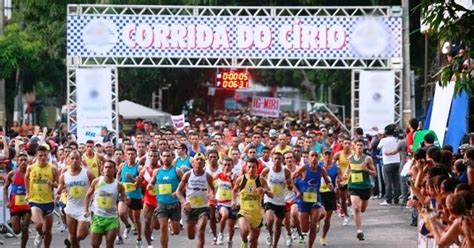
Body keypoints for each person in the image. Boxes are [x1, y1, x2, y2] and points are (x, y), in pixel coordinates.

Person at [293, 150, 332, 248]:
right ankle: (300, 219)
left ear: (319, 158)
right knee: (305, 229)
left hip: (315, 200)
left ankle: (310, 246)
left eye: (316, 155)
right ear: (308, 158)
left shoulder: (321, 169)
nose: (314, 157)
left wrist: (330, 185)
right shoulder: (304, 168)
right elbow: (290, 178)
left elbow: (327, 181)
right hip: (303, 200)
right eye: (312, 155)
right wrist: (297, 191)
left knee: (313, 226)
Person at [56, 150, 95, 248]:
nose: (74, 160)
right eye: (72, 158)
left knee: (80, 235)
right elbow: (59, 188)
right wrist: (57, 194)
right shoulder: (64, 175)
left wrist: (93, 194)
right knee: (73, 237)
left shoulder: (87, 173)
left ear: (81, 160)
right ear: (68, 160)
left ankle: (89, 224)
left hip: (84, 208)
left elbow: (97, 183)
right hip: (71, 208)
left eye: (77, 158)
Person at [84, 160, 127, 248]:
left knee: (109, 244)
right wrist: (86, 210)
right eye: (106, 167)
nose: (107, 169)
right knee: (94, 245)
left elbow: (124, 197)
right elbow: (88, 195)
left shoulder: (118, 185)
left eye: (110, 167)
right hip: (98, 217)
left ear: (115, 170)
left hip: (112, 218)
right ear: (102, 169)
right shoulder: (97, 181)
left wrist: (126, 200)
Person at [233, 158, 274, 248]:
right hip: (244, 211)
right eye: (249, 167)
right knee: (245, 230)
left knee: (253, 241)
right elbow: (234, 191)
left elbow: (272, 195)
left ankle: (247, 242)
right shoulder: (241, 179)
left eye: (253, 167)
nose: (251, 169)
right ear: (246, 168)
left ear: (257, 168)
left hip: (257, 214)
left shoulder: (261, 180)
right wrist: (234, 201)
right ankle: (244, 240)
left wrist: (264, 190)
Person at [176, 152, 215, 248]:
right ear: (193, 163)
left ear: (204, 164)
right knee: (191, 236)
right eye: (197, 160)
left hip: (203, 207)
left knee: (201, 230)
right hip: (190, 207)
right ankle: (193, 224)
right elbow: (178, 191)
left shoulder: (208, 176)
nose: (199, 161)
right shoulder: (188, 175)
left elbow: (213, 189)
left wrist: (212, 196)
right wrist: (184, 202)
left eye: (201, 160)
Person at [148, 149, 184, 248]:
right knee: (163, 228)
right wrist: (150, 186)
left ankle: (171, 223)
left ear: (172, 158)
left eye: (168, 156)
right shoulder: (157, 171)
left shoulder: (177, 171)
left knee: (176, 231)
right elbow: (151, 183)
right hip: (161, 203)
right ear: (161, 157)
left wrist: (178, 191)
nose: (166, 158)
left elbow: (185, 183)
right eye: (164, 156)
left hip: (174, 203)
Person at [25, 145, 60, 248]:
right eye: (40, 155)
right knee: (39, 224)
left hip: (48, 202)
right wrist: (28, 192)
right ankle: (39, 233)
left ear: (48, 155)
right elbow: (26, 178)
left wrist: (53, 184)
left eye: (45, 155)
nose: (43, 158)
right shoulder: (31, 168)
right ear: (36, 156)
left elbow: (59, 184)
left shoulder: (53, 168)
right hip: (35, 201)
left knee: (48, 231)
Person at [261, 152, 292, 248]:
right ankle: (270, 234)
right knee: (270, 220)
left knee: (278, 225)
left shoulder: (286, 172)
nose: (277, 161)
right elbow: (260, 181)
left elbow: (290, 187)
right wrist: (264, 190)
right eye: (275, 159)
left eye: (279, 159)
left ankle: (275, 245)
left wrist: (289, 184)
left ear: (282, 160)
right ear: (272, 159)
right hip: (269, 199)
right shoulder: (267, 170)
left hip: (281, 201)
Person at [347, 139, 377, 241]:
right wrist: (342, 179)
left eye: (361, 145)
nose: (359, 147)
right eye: (358, 145)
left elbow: (375, 173)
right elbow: (348, 171)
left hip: (365, 187)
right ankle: (359, 231)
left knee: (362, 209)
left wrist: (367, 170)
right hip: (353, 186)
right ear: (354, 146)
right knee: (356, 208)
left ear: (363, 147)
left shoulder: (367, 159)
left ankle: (360, 214)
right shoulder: (350, 158)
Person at [117, 147, 144, 247]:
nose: (130, 156)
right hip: (124, 194)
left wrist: (132, 178)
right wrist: (118, 183)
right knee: (121, 213)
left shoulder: (139, 168)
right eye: (129, 154)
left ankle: (139, 238)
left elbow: (140, 184)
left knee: (137, 219)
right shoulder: (122, 166)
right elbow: (118, 175)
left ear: (136, 155)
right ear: (125, 155)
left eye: (133, 154)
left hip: (135, 195)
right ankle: (128, 226)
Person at [3, 153, 31, 248]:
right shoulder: (12, 174)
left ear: (28, 161)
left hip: (27, 205)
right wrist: (7, 201)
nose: (23, 162)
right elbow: (5, 188)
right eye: (21, 160)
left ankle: (23, 246)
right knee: (16, 230)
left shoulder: (31, 173)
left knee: (25, 226)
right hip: (15, 205)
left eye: (25, 160)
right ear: (17, 162)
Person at [137, 149, 161, 247]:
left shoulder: (162, 170)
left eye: (155, 156)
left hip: (160, 199)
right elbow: (139, 185)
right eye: (151, 156)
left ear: (158, 158)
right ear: (148, 157)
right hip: (148, 198)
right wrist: (137, 181)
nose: (153, 158)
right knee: (146, 221)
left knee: (156, 226)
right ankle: (149, 244)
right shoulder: (143, 171)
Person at [318, 148, 341, 246]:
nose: (327, 156)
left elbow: (340, 179)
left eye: (329, 154)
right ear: (322, 155)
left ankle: (323, 237)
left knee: (327, 219)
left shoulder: (336, 167)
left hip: (330, 193)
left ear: (332, 155)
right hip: (319, 193)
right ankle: (317, 222)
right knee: (321, 213)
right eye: (325, 154)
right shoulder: (318, 166)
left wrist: (339, 182)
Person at [214, 158, 236, 245]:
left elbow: (236, 189)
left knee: (231, 227)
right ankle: (221, 234)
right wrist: (211, 194)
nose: (227, 167)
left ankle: (230, 241)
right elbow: (210, 184)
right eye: (225, 165)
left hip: (232, 203)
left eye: (229, 165)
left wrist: (231, 180)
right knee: (225, 214)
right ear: (222, 166)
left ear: (232, 166)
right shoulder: (218, 176)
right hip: (221, 203)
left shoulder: (235, 176)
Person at [377, 127, 401, 205]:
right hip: (397, 161)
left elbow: (378, 147)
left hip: (387, 162)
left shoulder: (383, 140)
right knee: (396, 182)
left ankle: (388, 200)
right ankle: (396, 199)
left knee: (388, 182)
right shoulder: (397, 140)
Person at [333, 136, 352, 225]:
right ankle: (346, 215)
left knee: (350, 195)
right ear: (342, 144)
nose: (347, 145)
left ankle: (350, 206)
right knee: (343, 198)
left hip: (352, 178)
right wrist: (338, 174)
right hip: (342, 178)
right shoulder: (338, 154)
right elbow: (332, 165)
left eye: (349, 143)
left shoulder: (354, 154)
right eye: (345, 143)